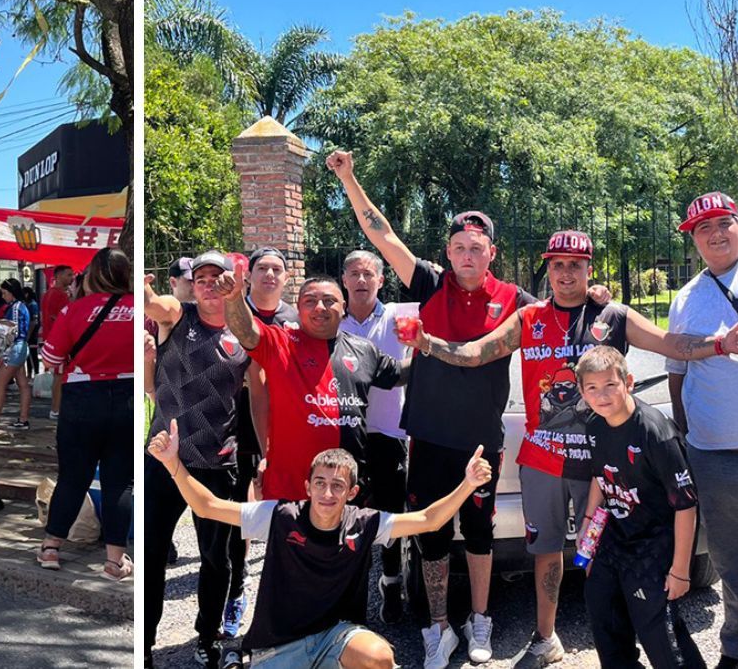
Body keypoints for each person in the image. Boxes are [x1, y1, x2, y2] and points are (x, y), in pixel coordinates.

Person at [397, 229, 737, 667]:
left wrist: (719, 345)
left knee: (602, 553)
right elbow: (476, 353)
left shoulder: (612, 315)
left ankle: (616, 641)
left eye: (575, 264)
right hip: (543, 459)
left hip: (602, 464)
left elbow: (670, 344)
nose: (565, 272)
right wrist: (428, 344)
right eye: (556, 264)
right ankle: (546, 638)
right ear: (548, 269)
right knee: (546, 552)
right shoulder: (529, 316)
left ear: (589, 268)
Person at [329, 149, 553, 667]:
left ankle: (480, 621)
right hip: (427, 435)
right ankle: (437, 628)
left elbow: (564, 313)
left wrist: (600, 296)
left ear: (490, 252)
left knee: (478, 534)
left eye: (476, 248)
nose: (467, 256)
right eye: (459, 247)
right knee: (430, 533)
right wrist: (349, 177)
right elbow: (380, 234)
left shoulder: (515, 298)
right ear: (448, 253)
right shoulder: (428, 282)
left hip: (480, 439)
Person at [148, 423, 494, 669]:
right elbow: (208, 506)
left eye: (338, 486)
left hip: (334, 637)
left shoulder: (364, 523)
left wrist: (467, 484)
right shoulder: (279, 516)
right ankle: (238, 657)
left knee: (380, 658)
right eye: (320, 483)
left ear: (351, 493)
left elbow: (428, 520)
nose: (328, 494)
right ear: (308, 487)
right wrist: (172, 464)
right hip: (276, 645)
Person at [144, 250, 260, 667]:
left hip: (217, 461)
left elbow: (259, 397)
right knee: (152, 551)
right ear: (192, 284)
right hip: (163, 458)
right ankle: (145, 643)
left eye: (219, 277)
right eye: (202, 277)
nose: (209, 284)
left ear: (234, 283)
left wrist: (265, 451)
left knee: (218, 558)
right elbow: (156, 304)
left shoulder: (244, 332)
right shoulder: (179, 316)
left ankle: (207, 636)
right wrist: (141, 289)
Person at [577, 346, 706, 668]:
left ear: (628, 382)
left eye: (610, 385)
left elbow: (686, 506)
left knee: (660, 638)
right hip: (613, 539)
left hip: (654, 546)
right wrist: (588, 539)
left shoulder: (655, 433)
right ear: (582, 391)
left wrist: (680, 570)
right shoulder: (594, 424)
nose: (602, 395)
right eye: (592, 388)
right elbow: (599, 478)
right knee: (603, 615)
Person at [666, 191, 738, 669]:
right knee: (730, 559)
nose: (714, 233)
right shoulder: (685, 298)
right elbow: (675, 371)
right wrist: (686, 437)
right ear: (693, 240)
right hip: (711, 449)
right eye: (701, 228)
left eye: (722, 222)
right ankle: (734, 644)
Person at [37, 247, 134, 579]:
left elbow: (50, 358)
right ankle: (115, 561)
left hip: (82, 397)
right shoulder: (137, 310)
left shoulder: (73, 310)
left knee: (72, 478)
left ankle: (51, 548)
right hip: (128, 398)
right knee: (119, 483)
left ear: (92, 275)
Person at [222, 246, 296, 639]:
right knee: (239, 510)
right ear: (248, 275)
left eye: (277, 269)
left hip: (283, 428)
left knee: (285, 509)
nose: (270, 274)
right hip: (232, 427)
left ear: (286, 277)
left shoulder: (295, 321)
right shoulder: (230, 312)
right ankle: (236, 589)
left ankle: (285, 584)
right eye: (262, 268)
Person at [338, 249, 414, 624]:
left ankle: (390, 580)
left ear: (382, 280)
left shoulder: (401, 317)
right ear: (345, 280)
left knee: (389, 514)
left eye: (369, 274)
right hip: (344, 433)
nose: (362, 280)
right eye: (355, 273)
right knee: (344, 512)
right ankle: (345, 593)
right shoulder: (330, 320)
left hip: (390, 431)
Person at [0, 278, 34, 431]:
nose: (4, 296)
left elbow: (11, 330)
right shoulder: (22, 306)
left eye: (5, 293)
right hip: (21, 348)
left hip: (13, 348)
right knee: (23, 385)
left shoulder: (14, 307)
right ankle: (23, 419)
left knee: (1, 386)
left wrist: (1, 352)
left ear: (11, 293)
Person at [42, 265, 75, 419]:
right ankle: (56, 409)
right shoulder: (59, 295)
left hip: (52, 340)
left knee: (60, 375)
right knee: (60, 376)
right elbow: (59, 318)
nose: (71, 278)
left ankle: (56, 408)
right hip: (61, 342)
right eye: (68, 275)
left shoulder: (48, 294)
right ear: (59, 276)